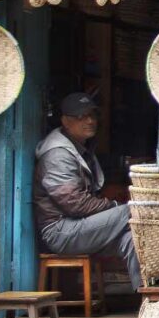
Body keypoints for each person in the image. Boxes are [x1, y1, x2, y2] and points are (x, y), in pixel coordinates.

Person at [34, 92, 140, 291]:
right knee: (134, 211)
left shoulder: (80, 147)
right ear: (65, 121)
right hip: (61, 231)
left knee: (133, 239)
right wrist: (113, 207)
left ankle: (149, 300)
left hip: (78, 227)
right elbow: (75, 204)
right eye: (81, 117)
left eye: (92, 115)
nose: (90, 121)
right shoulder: (58, 154)